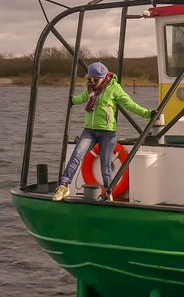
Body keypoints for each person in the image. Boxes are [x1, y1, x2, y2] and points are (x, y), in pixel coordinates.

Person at [52, 62, 153, 201]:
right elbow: (81, 98)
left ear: (104, 77)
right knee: (77, 155)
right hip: (89, 131)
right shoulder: (89, 89)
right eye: (89, 79)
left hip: (107, 133)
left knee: (105, 165)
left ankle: (108, 193)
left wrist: (148, 114)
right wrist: (72, 100)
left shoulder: (114, 88)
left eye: (95, 80)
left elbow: (130, 104)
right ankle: (64, 186)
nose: (92, 82)